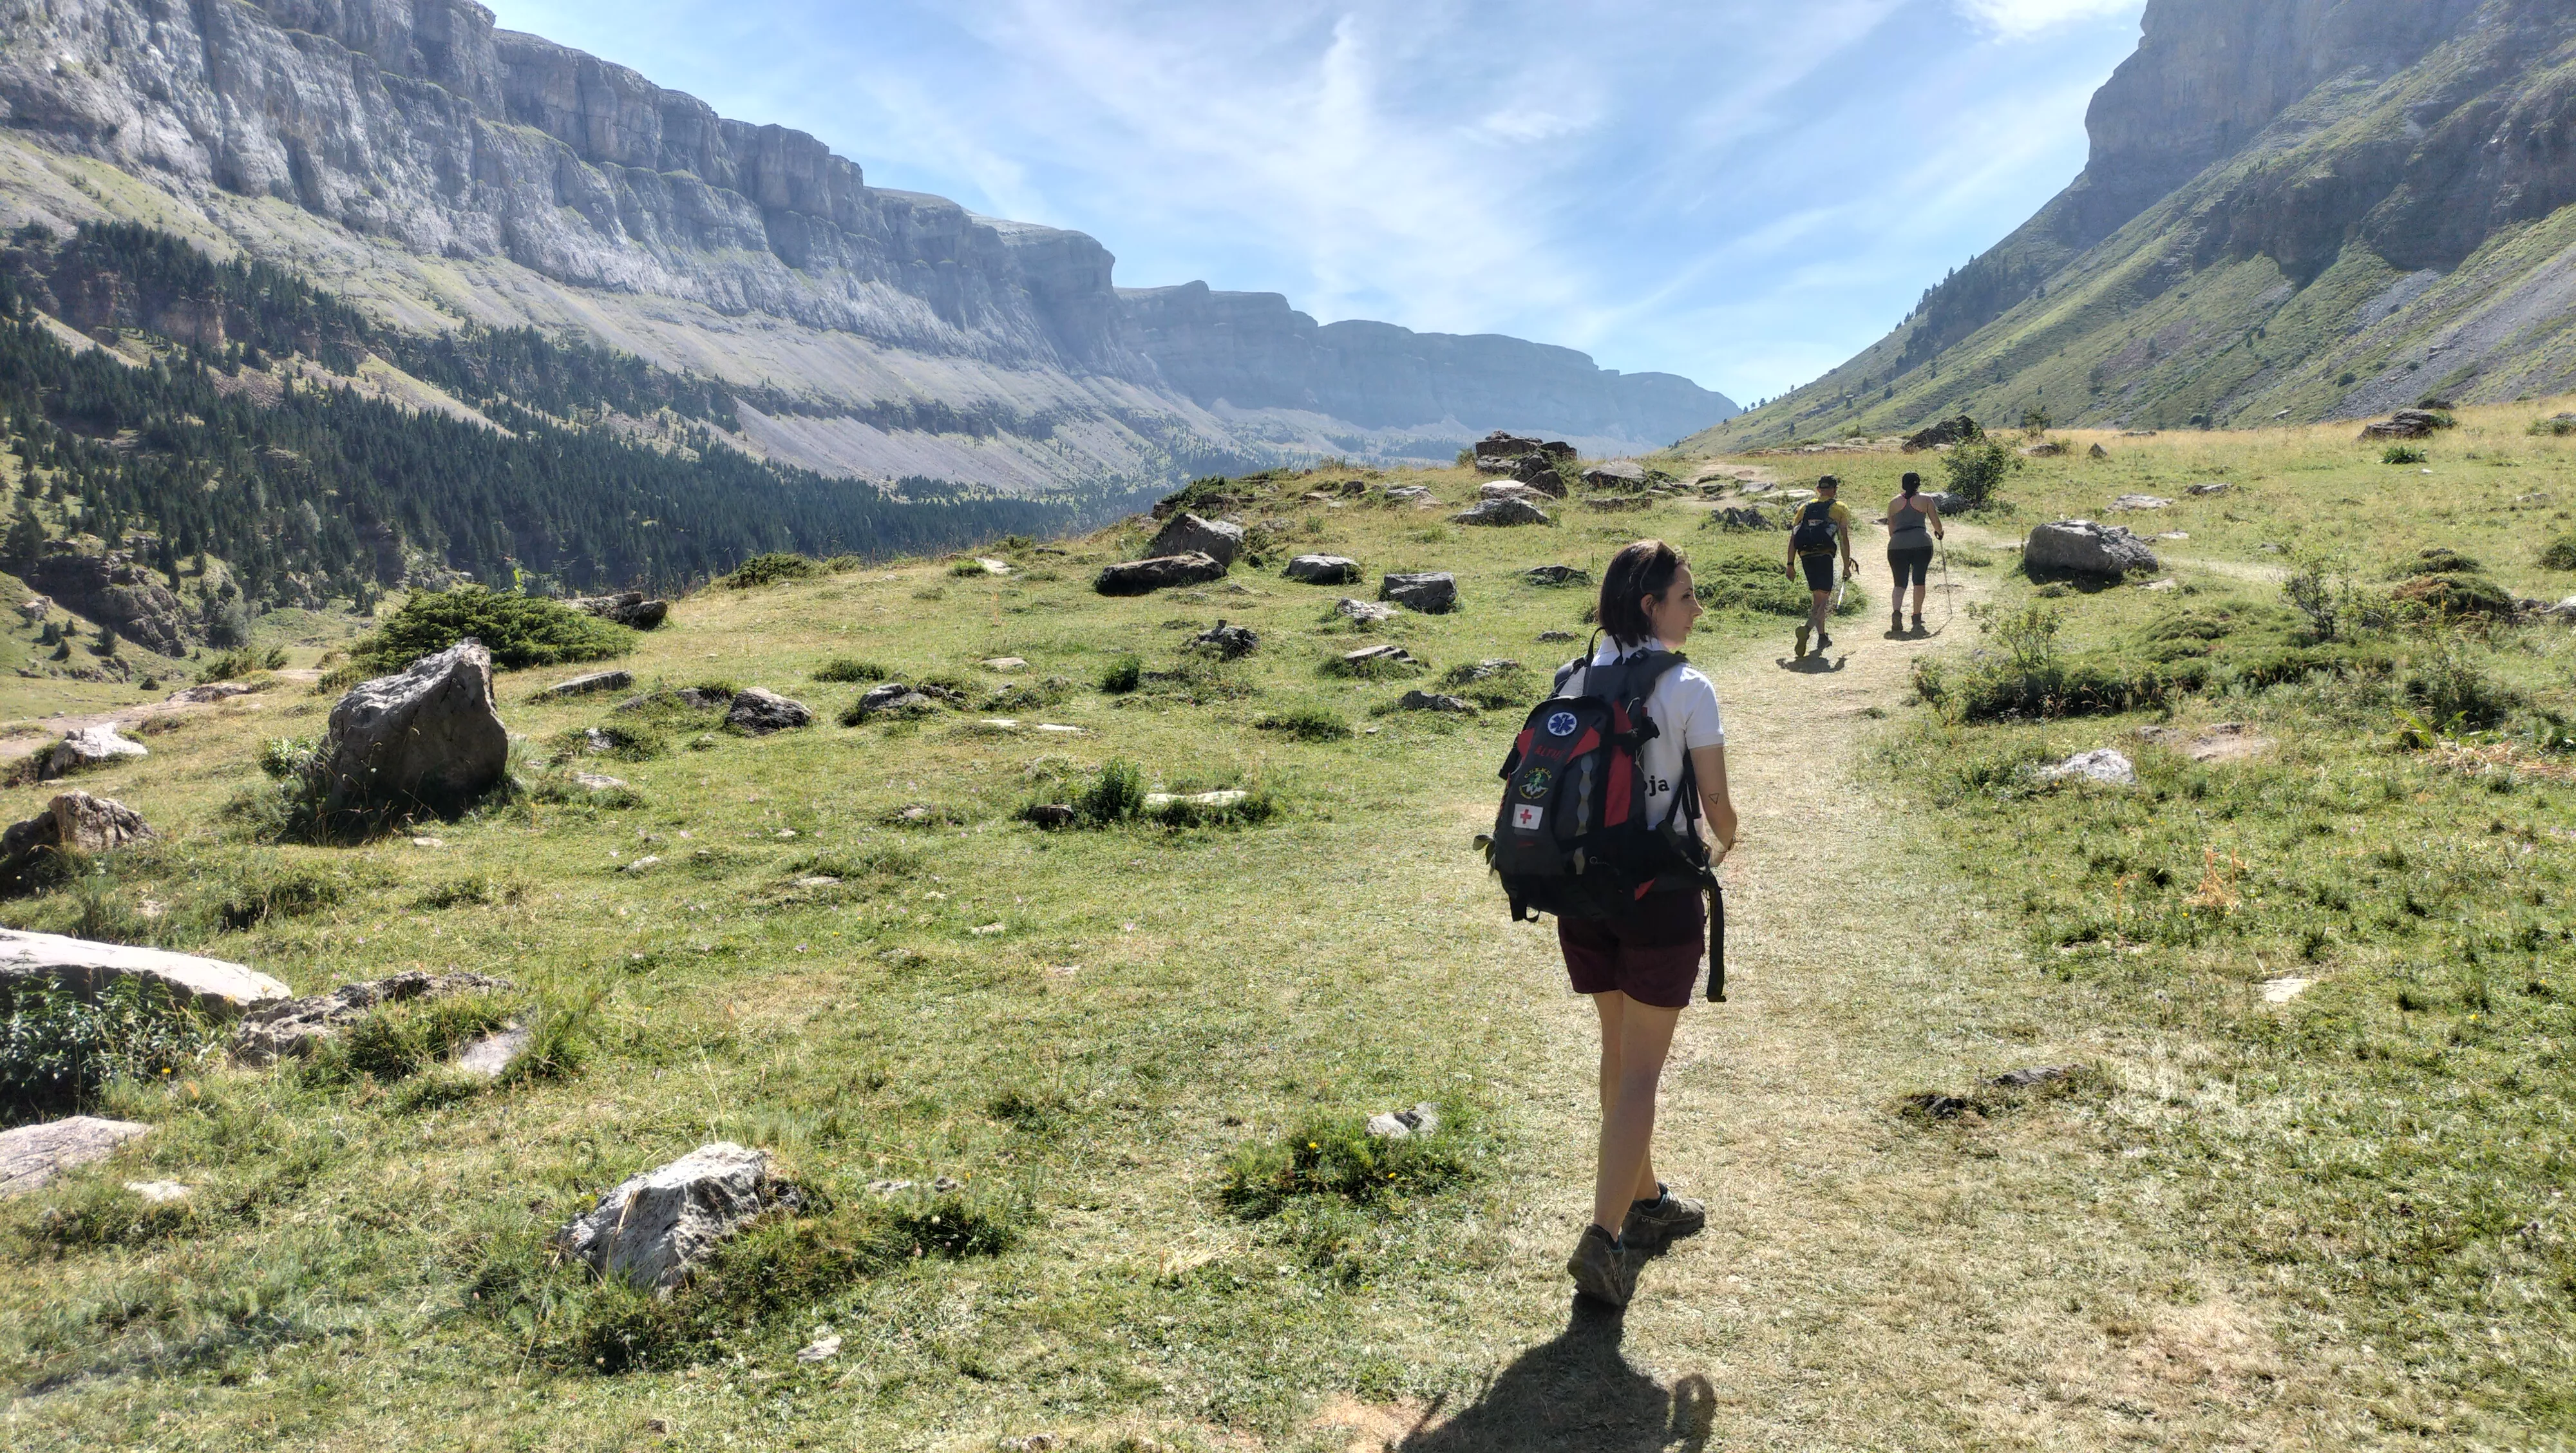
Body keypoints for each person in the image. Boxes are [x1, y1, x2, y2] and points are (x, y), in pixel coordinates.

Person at [1559, 540, 1739, 1308]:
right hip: (1657, 896)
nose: (1697, 609)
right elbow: (1718, 807)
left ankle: (1649, 1200)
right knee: (1640, 1074)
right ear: (1650, 605)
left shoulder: (1573, 676)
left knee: (1616, 1054)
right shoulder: (1689, 687)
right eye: (1686, 595)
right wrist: (1725, 844)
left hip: (1581, 894)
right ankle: (1604, 1240)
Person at [1782, 475, 1855, 659]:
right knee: (1825, 600)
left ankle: (1822, 637)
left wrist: (1790, 564)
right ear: (1835, 490)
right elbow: (1843, 539)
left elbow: (1793, 537)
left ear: (1818, 489)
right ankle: (1806, 630)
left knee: (1818, 597)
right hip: (1824, 555)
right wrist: (1846, 566)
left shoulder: (1804, 508)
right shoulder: (1839, 508)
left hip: (1805, 556)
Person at [1883, 471, 1944, 634]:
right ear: (1919, 484)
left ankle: (1896, 612)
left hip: (1897, 545)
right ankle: (1916, 616)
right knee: (1919, 581)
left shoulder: (1893, 503)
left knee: (1899, 583)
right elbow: (1936, 524)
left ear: (1903, 484)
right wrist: (1940, 532)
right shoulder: (1926, 500)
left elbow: (1891, 530)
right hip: (1921, 544)